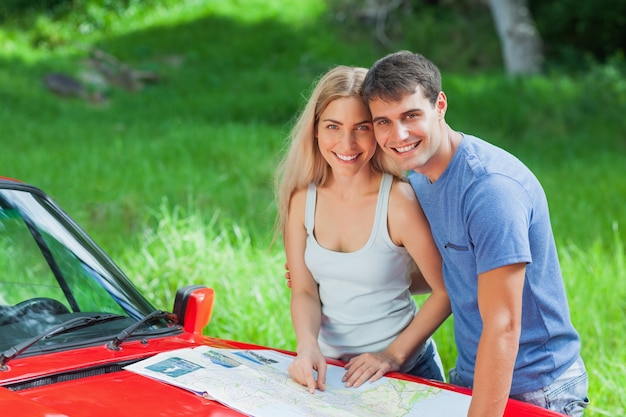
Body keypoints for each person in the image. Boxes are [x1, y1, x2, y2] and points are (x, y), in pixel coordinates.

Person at [359, 50, 589, 417]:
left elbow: (503, 325)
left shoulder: (490, 191)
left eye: (411, 115)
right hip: (474, 376)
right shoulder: (421, 178)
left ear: (440, 105)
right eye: (383, 122)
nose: (397, 135)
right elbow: (450, 274)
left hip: (534, 387)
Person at [275, 65, 452, 394]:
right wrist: (307, 346)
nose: (347, 142)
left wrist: (391, 356)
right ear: (315, 130)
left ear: (378, 130)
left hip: (406, 371)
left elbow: (446, 290)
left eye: (362, 127)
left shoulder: (398, 202)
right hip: (333, 374)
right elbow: (303, 290)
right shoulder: (302, 200)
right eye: (333, 126)